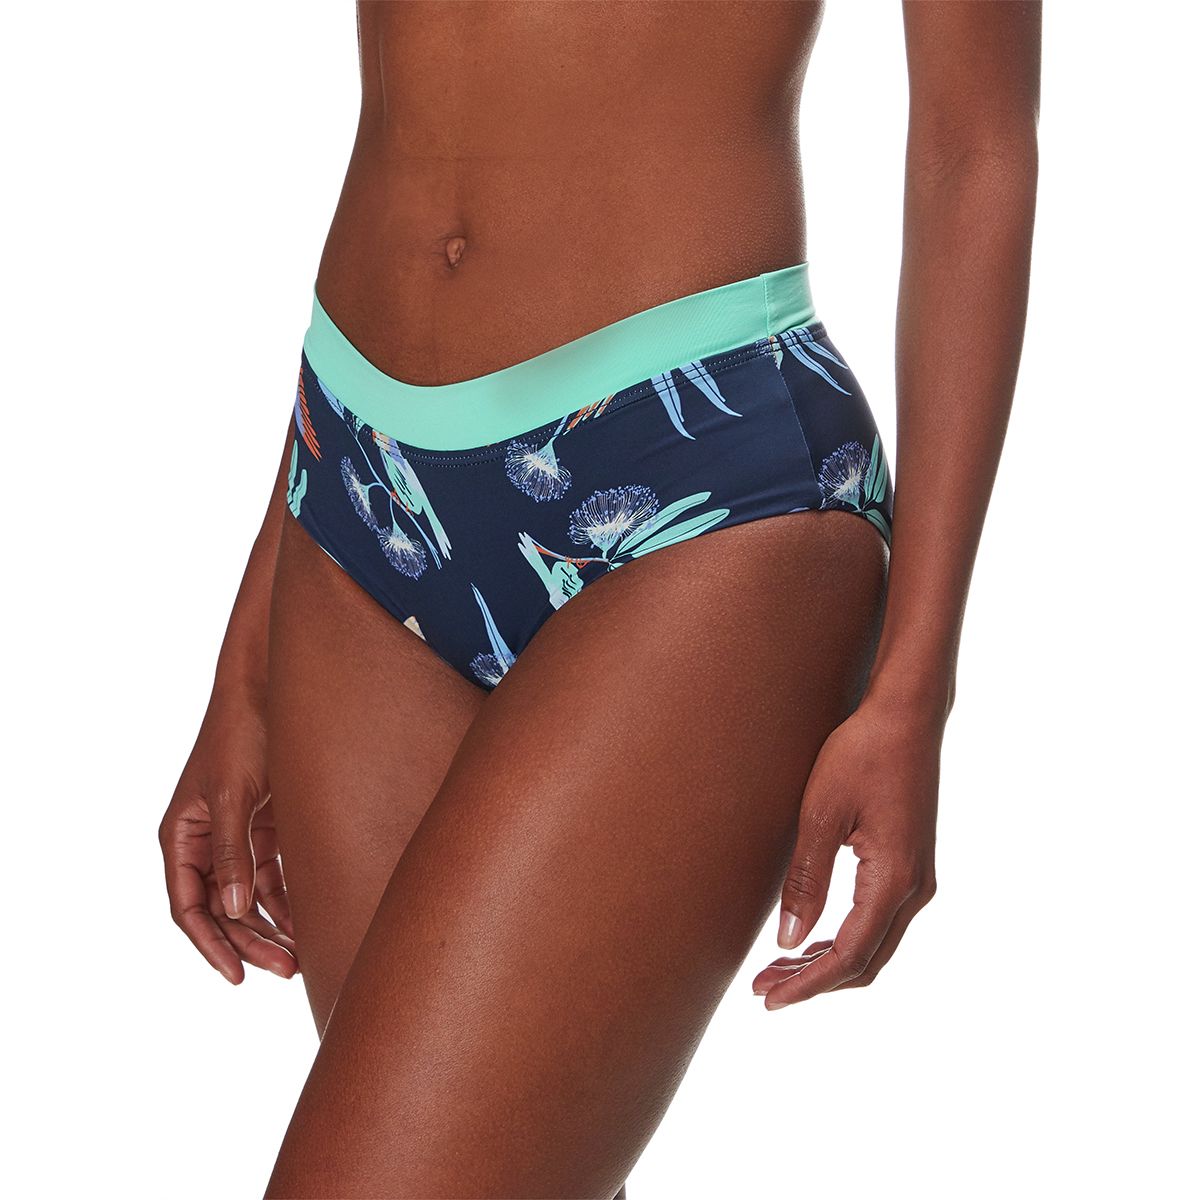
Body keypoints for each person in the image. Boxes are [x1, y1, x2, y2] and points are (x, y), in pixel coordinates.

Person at [158, 2, 1040, 1195]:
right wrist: (247, 658)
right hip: (358, 477)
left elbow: (973, 149)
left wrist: (914, 689)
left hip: (697, 475)